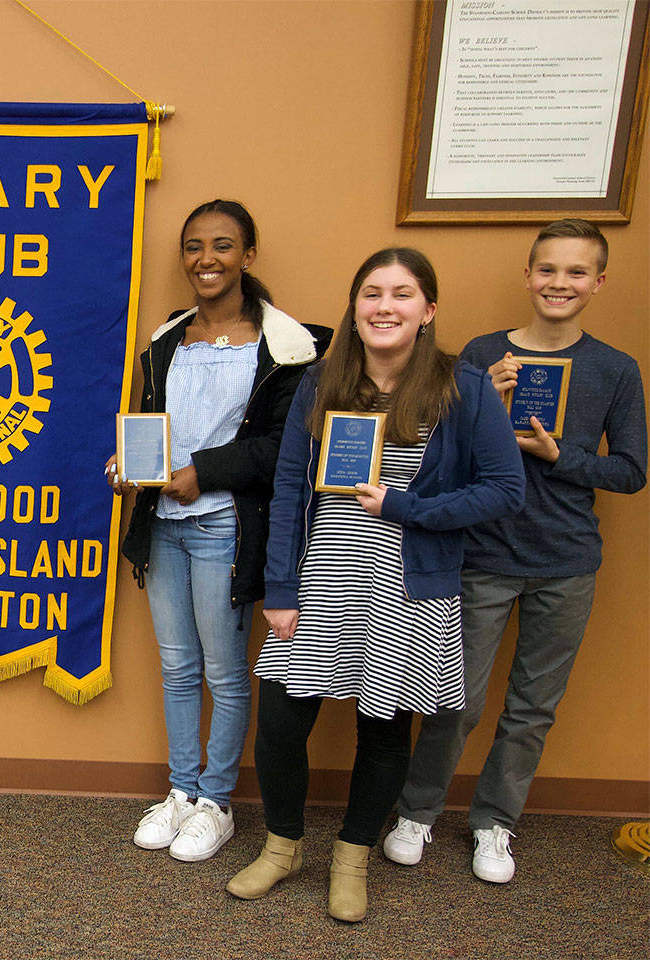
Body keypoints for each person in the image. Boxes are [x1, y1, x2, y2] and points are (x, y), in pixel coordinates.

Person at [226, 248, 525, 921]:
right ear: (355, 308)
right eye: (371, 294)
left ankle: (352, 855)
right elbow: (289, 487)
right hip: (322, 582)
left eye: (402, 294)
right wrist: (281, 588)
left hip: (409, 590)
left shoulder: (464, 387)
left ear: (428, 311)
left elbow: (506, 489)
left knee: (383, 729)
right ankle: (283, 847)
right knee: (278, 722)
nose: (384, 306)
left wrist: (405, 506)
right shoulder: (323, 380)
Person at [383, 220, 647, 883]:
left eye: (577, 272)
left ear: (598, 282)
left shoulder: (616, 370)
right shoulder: (481, 354)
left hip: (566, 562)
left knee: (532, 708)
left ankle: (495, 824)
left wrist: (564, 458)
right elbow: (446, 457)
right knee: (456, 701)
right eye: (548, 270)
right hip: (485, 556)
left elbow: (632, 472)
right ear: (528, 275)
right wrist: (489, 405)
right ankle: (417, 811)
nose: (560, 283)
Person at [108, 199, 331, 862]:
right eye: (195, 246)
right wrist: (131, 467)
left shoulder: (288, 347)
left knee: (227, 674)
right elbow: (152, 429)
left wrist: (202, 472)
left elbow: (279, 449)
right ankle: (180, 792)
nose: (207, 259)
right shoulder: (166, 342)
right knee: (177, 666)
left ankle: (216, 802)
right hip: (165, 524)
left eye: (223, 246)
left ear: (248, 256)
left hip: (225, 527)